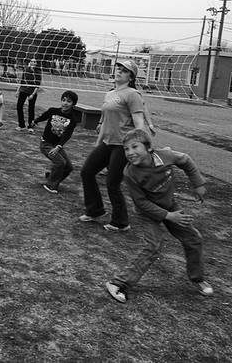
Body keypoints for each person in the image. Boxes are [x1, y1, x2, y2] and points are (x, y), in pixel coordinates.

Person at [105, 129, 212, 303]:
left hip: (170, 206)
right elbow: (141, 203)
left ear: (148, 148)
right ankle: (117, 283)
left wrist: (198, 184)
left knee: (194, 238)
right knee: (153, 246)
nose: (130, 153)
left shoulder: (165, 156)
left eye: (134, 147)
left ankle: (198, 278)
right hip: (149, 213)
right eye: (126, 149)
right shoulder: (130, 173)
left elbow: (186, 160)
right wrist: (168, 216)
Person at [79, 59, 146, 232]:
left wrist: (140, 147)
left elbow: (139, 123)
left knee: (112, 183)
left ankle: (121, 222)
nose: (119, 72)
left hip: (123, 145)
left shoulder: (133, 95)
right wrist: (98, 143)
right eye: (119, 69)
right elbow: (104, 122)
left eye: (124, 71)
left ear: (130, 77)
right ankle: (95, 210)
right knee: (87, 172)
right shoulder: (109, 94)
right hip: (108, 142)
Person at [32, 90, 79, 194]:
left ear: (73, 104)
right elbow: (44, 116)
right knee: (60, 162)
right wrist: (35, 121)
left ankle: (51, 178)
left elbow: (67, 135)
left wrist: (58, 146)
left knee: (68, 167)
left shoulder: (73, 119)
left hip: (56, 145)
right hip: (46, 144)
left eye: (69, 101)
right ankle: (50, 185)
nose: (65, 103)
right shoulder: (53, 111)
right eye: (63, 100)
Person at [15, 58, 41, 133]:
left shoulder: (38, 72)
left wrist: (33, 94)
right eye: (32, 61)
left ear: (36, 63)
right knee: (19, 106)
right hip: (23, 90)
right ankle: (21, 125)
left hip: (32, 91)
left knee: (31, 108)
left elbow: (37, 85)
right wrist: (17, 91)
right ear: (30, 62)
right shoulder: (26, 70)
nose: (33, 62)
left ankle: (30, 126)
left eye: (35, 61)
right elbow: (22, 81)